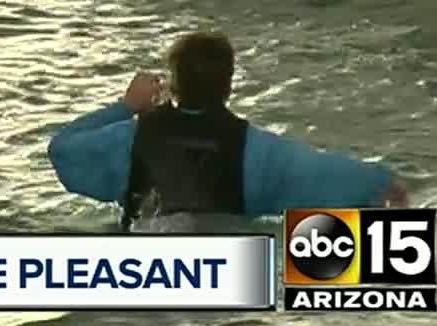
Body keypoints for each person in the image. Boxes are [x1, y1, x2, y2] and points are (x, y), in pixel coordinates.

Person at [47, 31, 409, 231]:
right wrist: (383, 181)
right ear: (228, 86)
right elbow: (327, 174)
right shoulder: (260, 152)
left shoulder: (128, 139)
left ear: (173, 85)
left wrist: (128, 106)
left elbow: (62, 150)